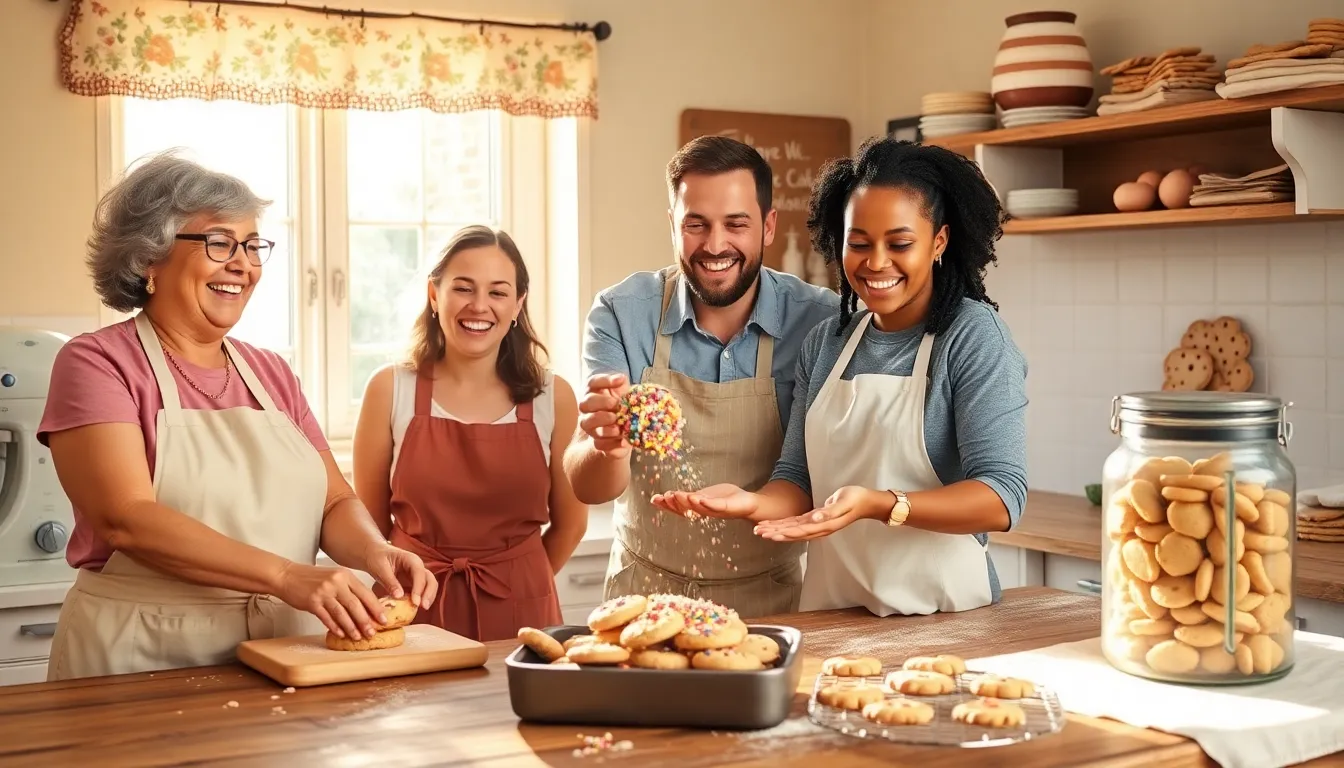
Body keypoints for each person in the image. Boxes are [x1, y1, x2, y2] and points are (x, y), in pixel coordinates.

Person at [38, 152, 436, 681]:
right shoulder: (98, 363)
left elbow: (333, 499)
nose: (243, 265)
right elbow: (126, 517)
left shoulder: (271, 372)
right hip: (140, 651)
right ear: (148, 260)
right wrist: (286, 576)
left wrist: (374, 551)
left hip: (284, 650)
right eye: (220, 243)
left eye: (252, 246)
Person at [651, 137, 1029, 617]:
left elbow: (1002, 495)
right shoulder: (829, 342)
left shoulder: (971, 335)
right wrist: (750, 503)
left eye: (900, 243)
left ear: (939, 241)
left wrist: (880, 504)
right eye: (859, 243)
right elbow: (797, 479)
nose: (876, 262)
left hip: (948, 618)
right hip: (836, 616)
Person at [564, 136, 839, 618]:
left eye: (736, 224)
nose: (715, 245)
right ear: (672, 224)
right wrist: (608, 445)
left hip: (773, 602)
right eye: (696, 224)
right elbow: (590, 488)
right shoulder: (621, 313)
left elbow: (825, 470)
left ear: (768, 226)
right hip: (642, 599)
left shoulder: (819, 320)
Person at [352, 225, 586, 642]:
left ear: (518, 304)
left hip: (522, 611)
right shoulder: (389, 389)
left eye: (497, 292)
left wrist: (520, 580)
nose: (479, 306)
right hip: (412, 607)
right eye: (463, 288)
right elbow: (369, 525)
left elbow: (570, 525)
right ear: (433, 294)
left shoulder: (555, 397)